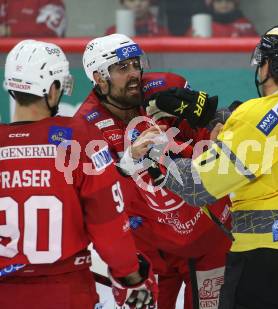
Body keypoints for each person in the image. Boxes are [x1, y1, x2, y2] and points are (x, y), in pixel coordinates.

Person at [135, 24, 278, 309]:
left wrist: (155, 156)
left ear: (268, 64)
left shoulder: (254, 115)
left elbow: (199, 187)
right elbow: (275, 124)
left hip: (270, 260)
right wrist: (210, 114)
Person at [75, 33, 232, 309]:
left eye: (136, 64)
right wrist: (128, 161)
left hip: (207, 236)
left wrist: (203, 112)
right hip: (151, 250)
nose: (135, 73)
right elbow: (96, 196)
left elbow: (215, 133)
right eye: (123, 68)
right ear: (100, 77)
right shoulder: (86, 125)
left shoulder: (165, 88)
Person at [0, 40, 157, 309]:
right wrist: (131, 276)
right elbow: (108, 225)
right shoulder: (80, 138)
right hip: (66, 292)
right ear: (53, 88)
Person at [0, 0, 66, 37]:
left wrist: (9, 30)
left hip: (39, 56)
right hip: (4, 55)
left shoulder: (51, 1)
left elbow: (52, 31)